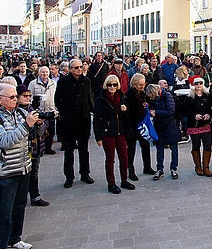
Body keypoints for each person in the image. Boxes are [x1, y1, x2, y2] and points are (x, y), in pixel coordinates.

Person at [0, 83, 43, 249]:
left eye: (15, 96)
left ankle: (15, 238)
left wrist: (37, 124)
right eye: (11, 97)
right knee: (5, 212)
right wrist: (27, 125)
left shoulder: (20, 113)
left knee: (19, 206)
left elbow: (34, 135)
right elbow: (5, 141)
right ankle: (0, 245)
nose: (15, 100)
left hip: (23, 166)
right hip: (5, 170)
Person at [55, 59, 94, 188]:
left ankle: (85, 173)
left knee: (84, 149)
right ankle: (69, 177)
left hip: (83, 119)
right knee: (69, 150)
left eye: (80, 67)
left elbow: (89, 98)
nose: (79, 69)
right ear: (70, 69)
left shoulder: (86, 81)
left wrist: (89, 110)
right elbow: (57, 100)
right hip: (69, 121)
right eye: (76, 67)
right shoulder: (63, 82)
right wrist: (65, 112)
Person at [93, 75, 135, 194]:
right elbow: (96, 119)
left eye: (115, 84)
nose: (112, 87)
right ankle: (111, 183)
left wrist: (125, 110)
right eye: (110, 84)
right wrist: (98, 137)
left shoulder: (122, 97)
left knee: (124, 157)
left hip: (120, 131)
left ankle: (124, 180)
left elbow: (128, 116)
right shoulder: (101, 99)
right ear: (106, 85)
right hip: (107, 132)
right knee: (110, 159)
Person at [16, 85, 50, 207]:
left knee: (34, 172)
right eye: (24, 96)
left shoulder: (33, 108)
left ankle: (35, 196)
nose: (27, 98)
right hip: (22, 147)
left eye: (29, 96)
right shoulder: (15, 111)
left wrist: (40, 123)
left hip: (35, 146)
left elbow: (43, 128)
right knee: (22, 175)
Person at [123, 73, 155, 181]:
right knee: (131, 150)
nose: (143, 86)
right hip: (132, 124)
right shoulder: (129, 94)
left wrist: (147, 105)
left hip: (142, 123)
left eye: (143, 84)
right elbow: (128, 111)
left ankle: (147, 167)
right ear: (135, 84)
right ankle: (131, 171)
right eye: (140, 85)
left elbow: (149, 102)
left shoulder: (143, 93)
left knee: (145, 146)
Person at [146, 84, 181, 180]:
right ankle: (159, 169)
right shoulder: (156, 98)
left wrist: (156, 112)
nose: (151, 98)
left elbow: (171, 111)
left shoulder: (167, 96)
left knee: (174, 148)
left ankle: (173, 168)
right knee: (159, 149)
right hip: (160, 126)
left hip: (170, 125)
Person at [183, 76, 212, 176]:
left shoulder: (207, 95)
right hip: (194, 125)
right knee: (196, 145)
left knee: (207, 145)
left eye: (200, 83)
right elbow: (184, 111)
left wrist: (209, 114)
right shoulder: (189, 97)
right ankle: (198, 166)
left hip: (205, 124)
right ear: (193, 85)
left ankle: (206, 167)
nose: (198, 85)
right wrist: (194, 116)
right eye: (196, 83)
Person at [28, 66, 58, 155]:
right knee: (39, 132)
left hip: (51, 110)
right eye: (43, 72)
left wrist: (56, 109)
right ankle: (39, 149)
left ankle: (48, 148)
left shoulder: (54, 83)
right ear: (38, 73)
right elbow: (30, 96)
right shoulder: (33, 84)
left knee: (51, 131)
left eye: (46, 72)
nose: (45, 74)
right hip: (39, 111)